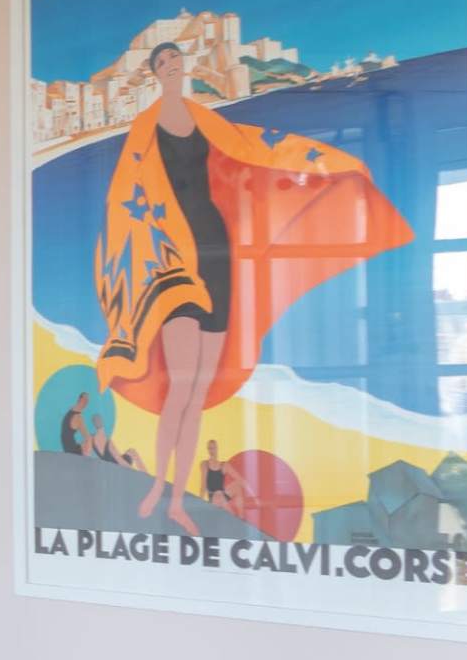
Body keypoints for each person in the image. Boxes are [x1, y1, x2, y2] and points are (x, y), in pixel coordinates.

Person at [94, 41, 408, 531]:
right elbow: (123, 199)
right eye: (163, 63)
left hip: (217, 251)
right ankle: (157, 486)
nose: (172, 67)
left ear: (183, 66)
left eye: (177, 61)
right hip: (176, 263)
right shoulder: (146, 127)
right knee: (180, 388)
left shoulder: (205, 119)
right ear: (155, 73)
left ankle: (177, 498)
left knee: (195, 393)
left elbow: (256, 148)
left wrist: (327, 166)